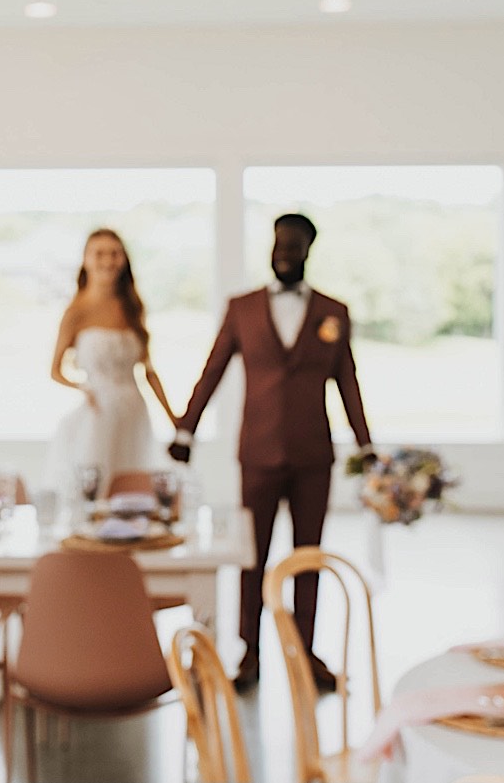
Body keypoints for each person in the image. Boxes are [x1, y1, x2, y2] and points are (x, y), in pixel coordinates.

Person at [169, 213, 372, 694]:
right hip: (257, 453)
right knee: (250, 557)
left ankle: (304, 651)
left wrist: (365, 444)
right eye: (278, 243)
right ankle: (250, 652)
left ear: (308, 249)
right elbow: (212, 369)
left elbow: (348, 381)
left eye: (294, 245)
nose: (284, 252)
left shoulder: (333, 311)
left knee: (307, 556)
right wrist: (186, 429)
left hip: (312, 455)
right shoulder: (242, 308)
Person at [47, 229, 177, 499]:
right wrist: (84, 388)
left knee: (135, 490)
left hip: (135, 412)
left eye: (115, 253)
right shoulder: (76, 311)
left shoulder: (132, 307)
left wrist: (174, 418)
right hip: (99, 412)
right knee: (97, 489)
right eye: (99, 254)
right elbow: (55, 370)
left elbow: (148, 370)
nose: (108, 261)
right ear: (86, 259)